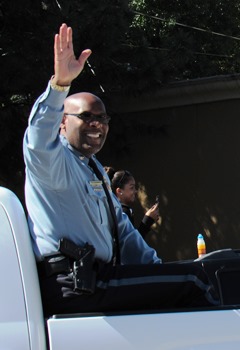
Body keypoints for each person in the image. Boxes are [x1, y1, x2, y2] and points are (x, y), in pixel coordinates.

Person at [23, 23, 218, 316]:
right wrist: (60, 86)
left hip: (99, 280)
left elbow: (124, 232)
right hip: (74, 284)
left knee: (195, 276)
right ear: (63, 122)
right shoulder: (53, 162)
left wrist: (156, 272)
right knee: (194, 282)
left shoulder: (94, 169)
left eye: (103, 118)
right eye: (86, 116)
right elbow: (37, 137)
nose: (97, 124)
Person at [104, 166, 160, 238]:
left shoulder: (113, 209)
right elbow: (131, 244)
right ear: (119, 191)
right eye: (131, 187)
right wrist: (148, 220)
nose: (135, 191)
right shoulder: (122, 212)